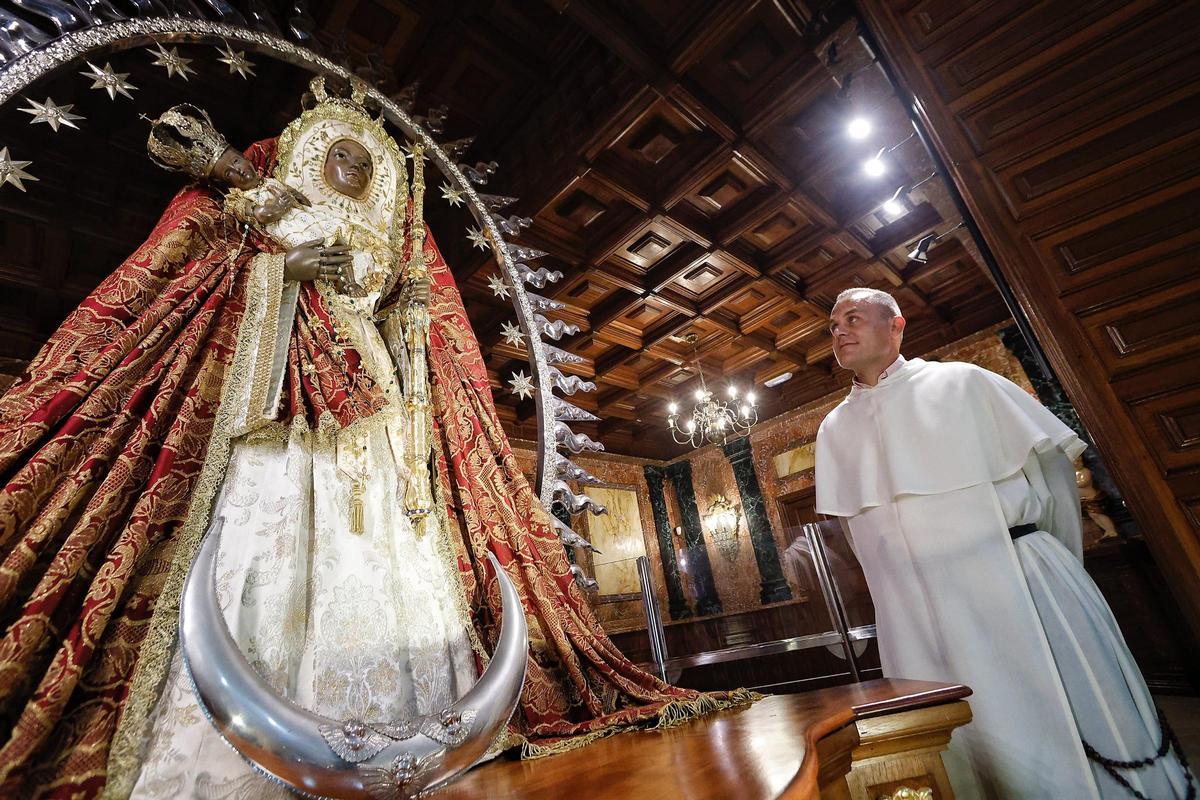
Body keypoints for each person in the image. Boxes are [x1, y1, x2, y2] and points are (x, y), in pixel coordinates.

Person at [0, 77, 750, 799]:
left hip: (378, 398)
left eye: (366, 160)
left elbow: (407, 329)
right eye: (343, 154)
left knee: (390, 545)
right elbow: (206, 265)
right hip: (288, 390)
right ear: (314, 151)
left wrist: (411, 318)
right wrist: (281, 272)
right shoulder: (265, 209)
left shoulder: (383, 238)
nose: (353, 166)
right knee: (282, 532)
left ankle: (412, 725)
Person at [815, 287, 1194, 800]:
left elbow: (1054, 479)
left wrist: (1043, 562)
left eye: (853, 318)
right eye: (833, 326)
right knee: (959, 741)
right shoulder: (834, 429)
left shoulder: (965, 383)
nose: (839, 332)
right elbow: (861, 541)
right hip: (912, 615)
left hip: (1019, 580)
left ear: (897, 325)